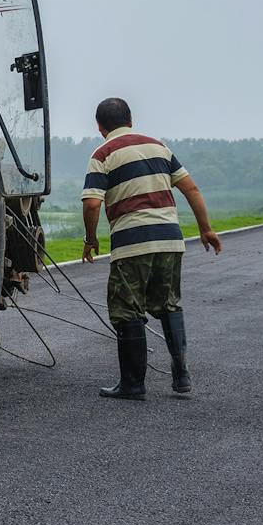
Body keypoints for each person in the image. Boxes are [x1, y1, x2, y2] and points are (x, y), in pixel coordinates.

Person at [80, 97, 222, 399]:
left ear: (100, 127)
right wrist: (206, 229)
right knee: (169, 303)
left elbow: (92, 202)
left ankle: (133, 384)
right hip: (170, 240)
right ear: (130, 119)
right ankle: (181, 375)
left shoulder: (103, 153)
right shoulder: (159, 147)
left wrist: (91, 239)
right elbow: (190, 188)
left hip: (133, 244)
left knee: (126, 308)